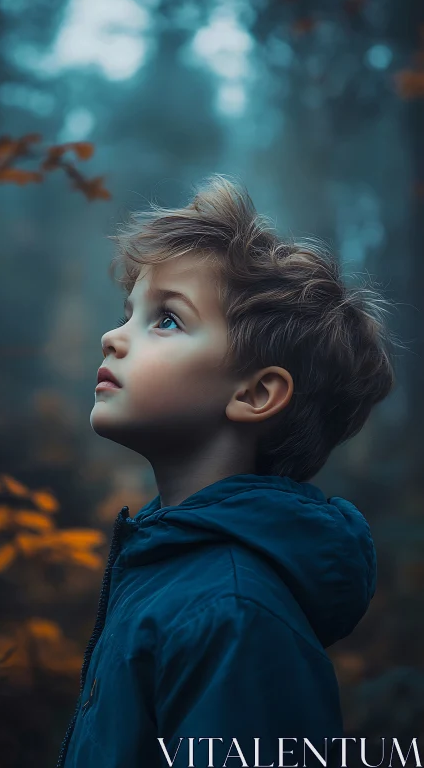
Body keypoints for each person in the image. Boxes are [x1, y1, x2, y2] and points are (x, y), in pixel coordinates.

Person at [56, 175, 398, 768]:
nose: (113, 337)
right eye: (129, 312)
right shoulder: (169, 566)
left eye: (166, 320)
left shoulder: (232, 612)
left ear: (257, 393)